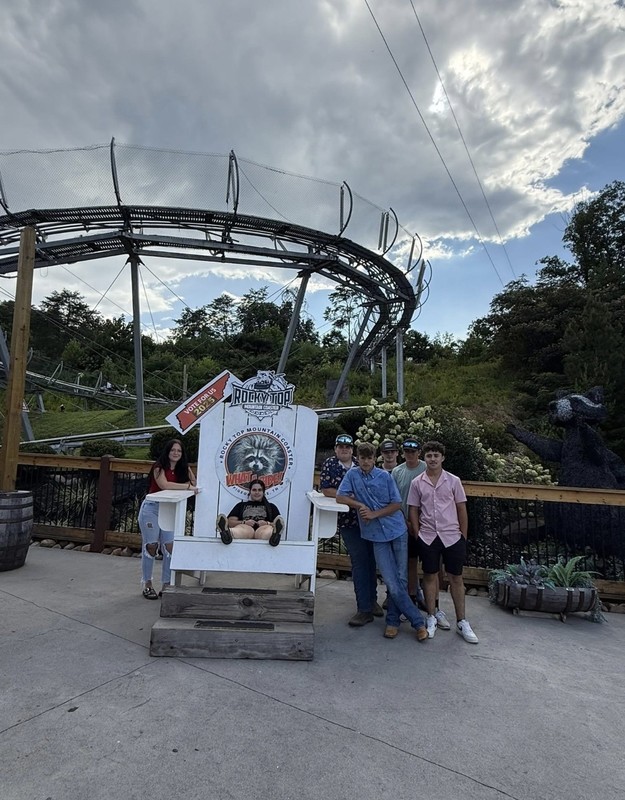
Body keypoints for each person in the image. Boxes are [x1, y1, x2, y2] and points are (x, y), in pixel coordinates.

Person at [337, 442, 428, 642]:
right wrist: (359, 504)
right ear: (358, 459)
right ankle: (418, 622)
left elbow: (396, 504)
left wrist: (374, 513)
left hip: (396, 531)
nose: (366, 462)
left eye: (369, 458)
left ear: (374, 458)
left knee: (401, 580)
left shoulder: (385, 476)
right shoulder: (352, 475)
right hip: (375, 535)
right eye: (363, 458)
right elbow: (340, 497)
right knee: (391, 582)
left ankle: (393, 621)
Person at [408, 441, 478, 643]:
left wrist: (462, 536)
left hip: (452, 536)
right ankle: (431, 617)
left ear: (442, 458)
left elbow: (461, 508)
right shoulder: (417, 483)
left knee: (455, 577)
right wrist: (418, 533)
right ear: (424, 458)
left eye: (436, 455)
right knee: (429, 576)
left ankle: (462, 621)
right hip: (428, 536)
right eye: (429, 455)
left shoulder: (454, 481)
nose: (432, 459)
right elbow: (413, 509)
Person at [320, 434, 382, 627]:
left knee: (371, 560)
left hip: (369, 520)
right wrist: (352, 497)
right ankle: (363, 608)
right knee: (359, 562)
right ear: (335, 448)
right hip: (349, 522)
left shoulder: (360, 462)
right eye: (341, 447)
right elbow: (327, 490)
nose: (345, 450)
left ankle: (372, 601)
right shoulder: (330, 464)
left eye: (348, 447)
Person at [138, 438, 198, 599]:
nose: (176, 453)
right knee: (151, 545)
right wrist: (186, 486)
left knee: (170, 546)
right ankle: (147, 584)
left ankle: (166, 584)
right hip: (152, 508)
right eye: (173, 450)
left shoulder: (182, 468)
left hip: (169, 510)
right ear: (167, 451)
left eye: (179, 451)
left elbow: (194, 482)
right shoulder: (158, 467)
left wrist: (188, 472)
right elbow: (164, 485)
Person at [217, 479, 284, 546]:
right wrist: (244, 522)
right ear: (250, 491)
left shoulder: (271, 507)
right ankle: (227, 533)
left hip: (263, 529)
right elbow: (230, 521)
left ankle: (274, 535)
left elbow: (279, 523)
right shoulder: (241, 505)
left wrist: (267, 523)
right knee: (242, 530)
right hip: (246, 528)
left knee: (266, 531)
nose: (257, 492)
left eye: (259, 490)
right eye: (254, 490)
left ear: (263, 492)